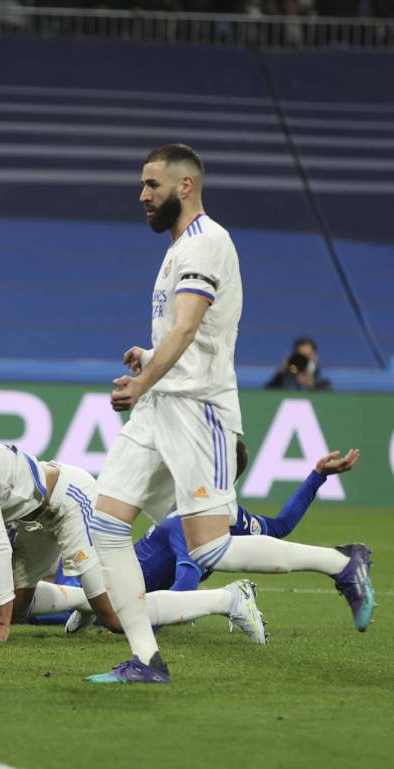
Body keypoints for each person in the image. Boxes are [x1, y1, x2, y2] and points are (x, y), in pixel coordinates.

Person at [86, 143, 371, 684]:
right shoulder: (176, 249)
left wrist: (145, 377)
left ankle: (342, 563)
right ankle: (146, 660)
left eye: (152, 185)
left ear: (185, 186)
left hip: (198, 412)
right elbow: (187, 339)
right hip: (160, 406)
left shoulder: (205, 244)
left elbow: (190, 329)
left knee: (210, 547)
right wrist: (148, 362)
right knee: (105, 522)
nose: (142, 195)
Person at [0, 426, 264, 644]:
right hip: (31, 523)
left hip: (68, 501)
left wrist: (0, 630)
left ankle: (227, 599)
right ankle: (85, 603)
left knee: (115, 620)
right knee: (13, 609)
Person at [63, 443, 373, 634]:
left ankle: (232, 598)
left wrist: (133, 626)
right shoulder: (226, 517)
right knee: (46, 598)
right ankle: (86, 606)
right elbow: (279, 527)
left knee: (34, 605)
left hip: (122, 593)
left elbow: (184, 590)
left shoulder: (197, 519)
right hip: (108, 582)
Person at [265, 337, 332, 391]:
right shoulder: (282, 379)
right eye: (300, 357)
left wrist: (313, 385)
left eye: (307, 357)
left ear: (315, 357)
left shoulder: (324, 384)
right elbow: (266, 393)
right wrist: (283, 372)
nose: (303, 361)